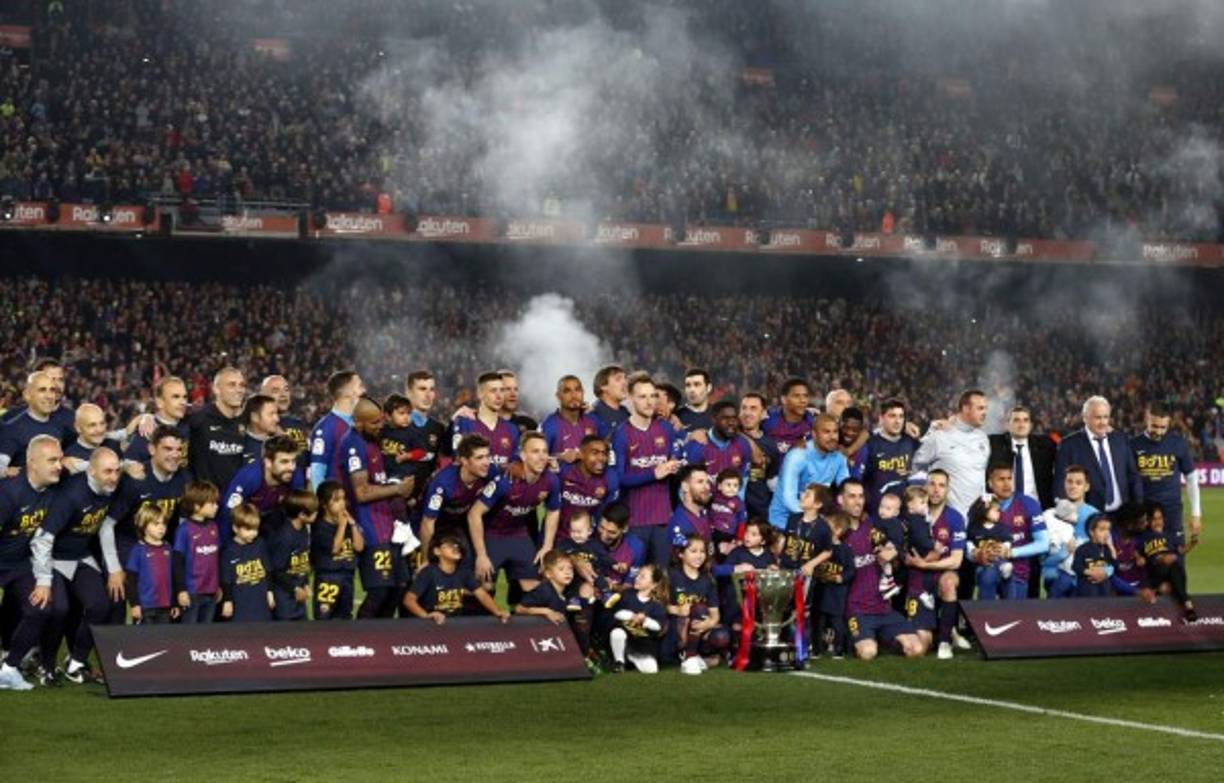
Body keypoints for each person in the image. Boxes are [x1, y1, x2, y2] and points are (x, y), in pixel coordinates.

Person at [31, 447, 122, 684]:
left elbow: (103, 524)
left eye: (117, 471)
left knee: (100, 605)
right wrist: (43, 579)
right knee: (58, 610)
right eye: (108, 471)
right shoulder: (70, 496)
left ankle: (76, 662)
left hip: (81, 557)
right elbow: (43, 538)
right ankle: (46, 665)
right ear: (92, 471)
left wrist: (113, 568)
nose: (114, 476)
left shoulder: (110, 486)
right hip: (54, 559)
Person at [338, 398, 414, 618]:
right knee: (379, 590)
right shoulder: (353, 445)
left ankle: (383, 640)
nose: (380, 426)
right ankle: (363, 638)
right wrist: (398, 489)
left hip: (388, 524)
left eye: (380, 420)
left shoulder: (373, 439)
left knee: (398, 587)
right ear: (358, 423)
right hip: (370, 526)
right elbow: (361, 492)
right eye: (374, 423)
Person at [0, 435, 62, 691]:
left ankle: (9, 669)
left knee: (41, 608)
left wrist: (44, 580)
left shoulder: (53, 491)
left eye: (59, 459)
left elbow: (41, 541)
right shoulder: (8, 493)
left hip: (19, 564)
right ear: (32, 464)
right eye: (52, 460)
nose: (59, 465)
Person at [840, 478, 925, 660]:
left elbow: (898, 559)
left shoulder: (876, 527)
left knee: (917, 649)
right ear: (841, 500)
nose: (858, 501)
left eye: (861, 496)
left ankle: (884, 638)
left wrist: (893, 554)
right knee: (868, 653)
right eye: (852, 496)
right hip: (858, 610)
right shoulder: (837, 534)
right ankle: (867, 638)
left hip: (884, 609)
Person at [468, 431, 560, 594]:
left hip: (518, 533)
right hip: (492, 534)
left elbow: (553, 510)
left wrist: (547, 545)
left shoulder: (551, 480)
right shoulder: (505, 480)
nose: (541, 457)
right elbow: (474, 514)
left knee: (534, 587)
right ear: (523, 455)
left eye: (545, 452)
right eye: (535, 451)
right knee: (483, 585)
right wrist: (481, 554)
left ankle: (521, 614)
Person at [612, 373, 683, 566]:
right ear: (630, 398)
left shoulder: (666, 429)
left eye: (653, 396)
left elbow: (675, 461)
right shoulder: (621, 434)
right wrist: (654, 473)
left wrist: (675, 466)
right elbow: (619, 479)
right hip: (635, 521)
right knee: (634, 578)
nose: (649, 402)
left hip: (663, 519)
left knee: (662, 577)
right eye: (642, 397)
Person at [903, 469, 967, 659]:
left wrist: (925, 565)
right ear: (925, 487)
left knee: (949, 583)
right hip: (917, 579)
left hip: (942, 573)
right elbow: (903, 551)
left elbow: (956, 560)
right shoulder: (912, 514)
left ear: (947, 489)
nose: (936, 490)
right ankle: (944, 629)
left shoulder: (955, 517)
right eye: (932, 484)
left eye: (942, 485)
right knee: (919, 649)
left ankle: (945, 641)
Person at [1130, 402, 1201, 551]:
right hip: (1143, 512)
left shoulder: (1178, 444)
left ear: (1168, 423)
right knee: (1144, 563)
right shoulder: (1133, 445)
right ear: (1147, 419)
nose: (1159, 431)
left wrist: (1196, 514)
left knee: (1176, 559)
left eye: (1163, 427)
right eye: (1154, 426)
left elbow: (1191, 478)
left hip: (1172, 511)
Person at [1054, 395, 1143, 513]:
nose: (1103, 422)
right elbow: (1061, 483)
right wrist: (1068, 515)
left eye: (1106, 417)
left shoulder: (1120, 440)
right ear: (1085, 418)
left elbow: (1133, 475)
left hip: (1122, 516)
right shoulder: (1069, 445)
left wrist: (1139, 506)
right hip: (1088, 516)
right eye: (1098, 418)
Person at [913, 389, 990, 517]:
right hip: (947, 520)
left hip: (976, 519)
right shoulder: (939, 436)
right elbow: (915, 465)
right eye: (980, 408)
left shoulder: (983, 438)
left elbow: (980, 476)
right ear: (966, 408)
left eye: (986, 408)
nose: (985, 413)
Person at [380, 371, 450, 510]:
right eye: (422, 389)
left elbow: (438, 466)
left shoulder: (438, 428)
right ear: (408, 392)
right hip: (389, 502)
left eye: (431, 389)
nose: (428, 395)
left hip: (422, 505)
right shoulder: (390, 425)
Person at [417, 434, 494, 557]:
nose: (486, 462)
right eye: (479, 458)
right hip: (432, 525)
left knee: (466, 562)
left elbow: (509, 472)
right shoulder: (444, 484)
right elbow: (427, 523)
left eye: (487, 456)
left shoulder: (489, 472)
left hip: (456, 525)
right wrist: (427, 559)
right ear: (464, 461)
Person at [768, 413, 849, 527]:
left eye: (835, 432)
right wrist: (812, 519)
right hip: (783, 520)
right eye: (826, 432)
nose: (832, 437)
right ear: (814, 434)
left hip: (812, 520)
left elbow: (847, 489)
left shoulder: (839, 458)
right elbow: (788, 498)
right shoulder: (797, 456)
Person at [219, 435, 305, 542]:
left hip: (273, 520)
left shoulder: (296, 476)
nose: (292, 467)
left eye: (294, 461)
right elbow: (228, 515)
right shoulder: (249, 477)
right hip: (246, 524)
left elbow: (299, 514)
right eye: (284, 462)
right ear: (268, 462)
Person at [403, 534, 504, 623]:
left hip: (455, 624)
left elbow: (481, 594)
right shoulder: (428, 572)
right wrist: (426, 616)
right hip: (431, 625)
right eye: (449, 545)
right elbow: (409, 600)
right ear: (437, 551)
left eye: (457, 545)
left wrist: (497, 611)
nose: (455, 547)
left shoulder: (464, 572)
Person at [667, 534, 729, 674]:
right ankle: (689, 657)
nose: (699, 555)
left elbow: (715, 615)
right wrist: (677, 609)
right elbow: (657, 606)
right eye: (693, 551)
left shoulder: (708, 579)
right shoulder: (672, 576)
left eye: (702, 551)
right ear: (681, 554)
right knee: (699, 609)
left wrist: (708, 624)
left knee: (722, 636)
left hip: (699, 628)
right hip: (676, 628)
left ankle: (695, 655)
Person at [515, 551, 590, 655]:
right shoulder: (544, 591)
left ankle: (585, 653)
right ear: (548, 574)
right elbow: (519, 609)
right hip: (531, 640)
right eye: (561, 569)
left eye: (570, 568)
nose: (567, 572)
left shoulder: (569, 593)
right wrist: (545, 611)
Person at [186, 367, 247, 491]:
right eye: (232, 385)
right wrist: (144, 418)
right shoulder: (198, 420)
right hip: (206, 503)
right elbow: (166, 425)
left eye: (241, 385)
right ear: (216, 389)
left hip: (235, 501)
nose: (239, 390)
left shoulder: (247, 421)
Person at [311, 480, 364, 620]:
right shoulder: (320, 526)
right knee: (324, 618)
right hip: (328, 578)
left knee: (345, 617)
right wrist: (341, 526)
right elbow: (334, 549)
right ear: (324, 504)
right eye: (336, 500)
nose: (342, 504)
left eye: (343, 498)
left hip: (347, 576)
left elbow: (359, 547)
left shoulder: (347, 522)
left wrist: (352, 525)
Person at [0, 371, 70, 474]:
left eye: (52, 390)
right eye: (42, 390)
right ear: (27, 395)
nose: (49, 396)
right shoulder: (12, 429)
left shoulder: (60, 426)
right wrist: (5, 472)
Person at [172, 480, 222, 624]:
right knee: (190, 633)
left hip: (211, 590)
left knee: (206, 633)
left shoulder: (214, 527)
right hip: (192, 591)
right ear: (197, 506)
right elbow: (178, 562)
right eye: (212, 503)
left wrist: (218, 585)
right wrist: (181, 590)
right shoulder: (184, 530)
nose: (216, 507)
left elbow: (216, 559)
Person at [1135, 503, 1196, 619]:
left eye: (1159, 518)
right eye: (1153, 519)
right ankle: (1187, 603)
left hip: (1170, 569)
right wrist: (1139, 557)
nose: (1157, 522)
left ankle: (1188, 606)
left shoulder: (1169, 535)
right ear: (1147, 521)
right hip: (1155, 569)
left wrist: (1192, 543)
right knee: (1171, 566)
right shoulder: (1145, 536)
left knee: (1175, 568)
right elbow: (1135, 549)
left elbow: (1180, 550)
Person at [989, 406, 1057, 510]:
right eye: (1016, 420)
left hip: (1038, 508)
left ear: (1030, 425)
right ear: (1007, 425)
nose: (1021, 425)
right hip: (1004, 509)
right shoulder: (994, 443)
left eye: (1025, 420)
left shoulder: (1046, 445)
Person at [308, 370, 365, 489]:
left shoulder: (361, 422)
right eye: (360, 386)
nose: (364, 390)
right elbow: (317, 471)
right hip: (339, 499)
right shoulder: (326, 428)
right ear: (348, 393)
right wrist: (323, 504)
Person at [452, 371, 520, 469]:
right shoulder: (464, 423)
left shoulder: (512, 429)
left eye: (502, 390)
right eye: (493, 391)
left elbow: (515, 466)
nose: (499, 396)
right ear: (480, 394)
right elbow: (458, 461)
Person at [124, 506, 181, 624]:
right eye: (156, 524)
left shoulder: (168, 548)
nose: (161, 527)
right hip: (145, 607)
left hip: (165, 606)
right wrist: (134, 604)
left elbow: (173, 577)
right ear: (143, 525)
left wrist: (174, 603)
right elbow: (130, 580)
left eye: (164, 524)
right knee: (144, 640)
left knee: (162, 640)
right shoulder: (138, 550)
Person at [860, 398, 920, 509]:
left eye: (901, 416)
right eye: (892, 416)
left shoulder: (911, 442)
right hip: (878, 509)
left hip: (906, 508)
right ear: (881, 419)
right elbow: (861, 480)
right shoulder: (870, 444)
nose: (897, 421)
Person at [608, 563, 668, 674]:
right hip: (625, 637)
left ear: (654, 584)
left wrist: (645, 621)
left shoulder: (656, 605)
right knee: (617, 633)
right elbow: (616, 613)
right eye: (637, 575)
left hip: (643, 643)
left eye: (642, 576)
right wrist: (632, 616)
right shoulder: (627, 594)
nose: (637, 578)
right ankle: (619, 661)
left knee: (651, 669)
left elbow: (658, 627)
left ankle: (630, 657)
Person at [268, 488, 317, 621]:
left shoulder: (304, 530)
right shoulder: (285, 537)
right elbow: (276, 571)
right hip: (285, 601)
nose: (316, 514)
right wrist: (295, 588)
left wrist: (305, 583)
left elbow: (303, 561)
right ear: (302, 514)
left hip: (299, 597)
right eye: (313, 512)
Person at [220, 503, 274, 622]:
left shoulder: (260, 544)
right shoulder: (228, 551)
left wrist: (270, 592)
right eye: (248, 529)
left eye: (255, 529)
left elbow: (268, 570)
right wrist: (227, 600)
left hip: (260, 602)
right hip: (240, 605)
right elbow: (226, 580)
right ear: (235, 528)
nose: (253, 533)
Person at [684, 400, 752, 490]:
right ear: (714, 419)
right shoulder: (698, 446)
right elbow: (687, 486)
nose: (731, 422)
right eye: (726, 418)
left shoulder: (743, 444)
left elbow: (743, 481)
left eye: (734, 418)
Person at [540, 375, 608, 465]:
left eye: (577, 390)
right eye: (567, 391)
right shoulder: (550, 425)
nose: (574, 395)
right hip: (563, 478)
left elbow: (610, 447)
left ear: (583, 393)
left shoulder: (593, 420)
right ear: (558, 396)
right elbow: (537, 458)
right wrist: (560, 456)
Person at [558, 435, 619, 535]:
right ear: (581, 454)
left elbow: (606, 513)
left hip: (589, 536)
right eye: (594, 453)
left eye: (604, 453)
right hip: (560, 534)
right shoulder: (565, 471)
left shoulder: (610, 478)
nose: (601, 458)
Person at [815, 511, 856, 658]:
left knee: (837, 623)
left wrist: (841, 578)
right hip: (820, 591)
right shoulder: (820, 547)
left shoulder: (845, 550)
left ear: (838, 530)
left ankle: (841, 648)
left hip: (836, 594)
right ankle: (817, 649)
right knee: (818, 622)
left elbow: (851, 570)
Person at [124, 376, 190, 464]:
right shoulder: (147, 431)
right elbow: (130, 468)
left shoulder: (190, 425)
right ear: (160, 402)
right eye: (176, 397)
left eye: (185, 397)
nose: (183, 402)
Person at [739, 392, 781, 522]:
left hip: (759, 512)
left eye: (753, 408)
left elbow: (771, 480)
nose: (747, 413)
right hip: (731, 511)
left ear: (763, 413)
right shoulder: (728, 437)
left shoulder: (770, 445)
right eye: (744, 408)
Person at [965, 494, 1013, 600]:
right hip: (981, 563)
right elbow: (969, 545)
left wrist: (1002, 548)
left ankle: (1001, 567)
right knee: (986, 572)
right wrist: (975, 552)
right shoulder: (974, 529)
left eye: (999, 510)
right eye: (995, 510)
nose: (998, 513)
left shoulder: (1002, 528)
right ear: (985, 511)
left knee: (999, 566)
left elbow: (1008, 542)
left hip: (998, 557)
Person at [667, 463, 713, 551]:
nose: (707, 487)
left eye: (707, 482)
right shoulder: (680, 523)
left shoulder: (703, 514)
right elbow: (692, 563)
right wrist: (731, 566)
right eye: (700, 482)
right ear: (685, 487)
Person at [762, 378, 812, 456]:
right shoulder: (768, 421)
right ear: (784, 399)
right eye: (796, 396)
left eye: (805, 396)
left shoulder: (813, 422)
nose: (803, 400)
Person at [261, 375, 308, 457]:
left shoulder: (296, 424)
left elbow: (304, 459)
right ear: (263, 396)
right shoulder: (253, 426)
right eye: (275, 391)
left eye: (286, 390)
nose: (283, 394)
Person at [1072, 514, 1116, 598]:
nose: (1107, 533)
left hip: (1104, 590)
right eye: (1102, 530)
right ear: (1091, 532)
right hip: (1087, 590)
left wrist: (1112, 549)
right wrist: (1091, 573)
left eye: (1108, 530)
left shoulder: (1107, 549)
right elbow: (1076, 566)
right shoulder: (1083, 549)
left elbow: (1115, 565)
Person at [708, 468, 747, 547]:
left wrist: (740, 538)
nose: (732, 488)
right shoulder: (714, 497)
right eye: (728, 485)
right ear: (719, 486)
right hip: (711, 531)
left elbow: (742, 521)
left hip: (727, 534)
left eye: (735, 485)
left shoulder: (739, 503)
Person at [241, 394, 281, 465]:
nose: (277, 419)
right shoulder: (239, 445)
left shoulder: (280, 443)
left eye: (277, 414)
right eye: (271, 414)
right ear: (254, 417)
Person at [591, 365, 629, 433]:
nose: (625, 382)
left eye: (625, 378)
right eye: (618, 379)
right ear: (603, 386)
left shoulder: (626, 412)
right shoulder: (593, 415)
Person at [498, 369, 538, 433]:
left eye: (516, 389)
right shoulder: (480, 425)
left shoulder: (529, 425)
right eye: (508, 389)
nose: (513, 394)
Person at [676, 368, 714, 432]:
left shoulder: (719, 415)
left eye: (697, 384)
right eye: (688, 385)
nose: (692, 390)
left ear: (708, 388)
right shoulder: (677, 416)